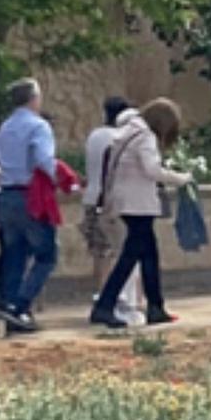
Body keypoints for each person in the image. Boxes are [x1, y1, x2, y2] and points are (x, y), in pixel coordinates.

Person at [90, 100, 192, 329]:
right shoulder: (145, 137)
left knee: (148, 255)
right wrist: (181, 178)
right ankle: (105, 306)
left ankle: (156, 305)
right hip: (139, 204)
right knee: (130, 257)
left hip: (125, 201)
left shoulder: (127, 132)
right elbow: (152, 169)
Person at [0, 77, 58, 333]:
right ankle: (19, 305)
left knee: (14, 255)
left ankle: (11, 308)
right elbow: (44, 159)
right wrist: (59, 178)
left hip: (7, 195)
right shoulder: (38, 127)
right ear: (34, 99)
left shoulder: (5, 127)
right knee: (46, 255)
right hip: (31, 195)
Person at [83, 95, 142, 324]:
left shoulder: (95, 136)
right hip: (112, 201)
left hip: (91, 197)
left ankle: (99, 293)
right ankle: (120, 300)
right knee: (121, 251)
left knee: (100, 252)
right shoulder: (121, 138)